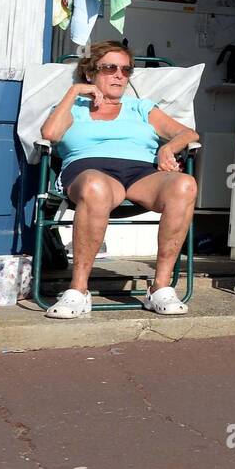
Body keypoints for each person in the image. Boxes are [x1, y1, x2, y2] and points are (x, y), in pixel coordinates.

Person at [39, 41, 199, 319]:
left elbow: (188, 134)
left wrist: (167, 148)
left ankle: (160, 288)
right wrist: (75, 91)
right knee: (95, 186)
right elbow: (50, 134)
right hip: (88, 171)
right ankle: (78, 290)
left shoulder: (140, 107)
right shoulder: (73, 106)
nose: (119, 75)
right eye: (110, 68)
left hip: (141, 174)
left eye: (125, 70)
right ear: (91, 73)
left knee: (184, 184)